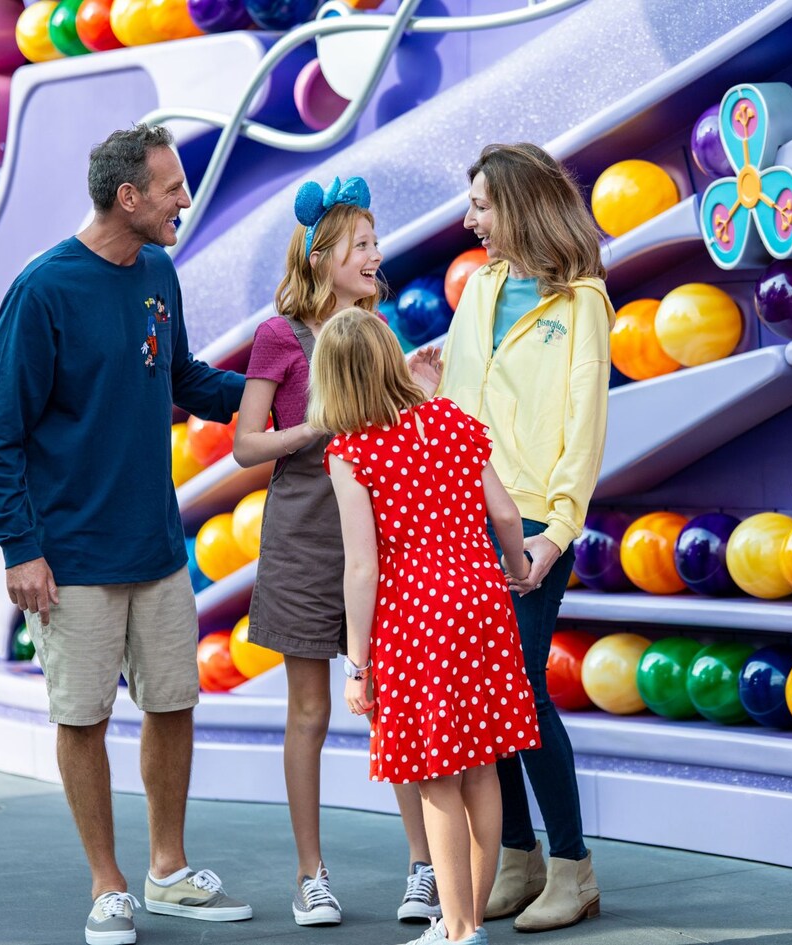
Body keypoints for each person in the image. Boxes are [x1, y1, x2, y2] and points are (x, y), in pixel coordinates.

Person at [0, 123, 253, 945]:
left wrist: (281, 386)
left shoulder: (158, 272)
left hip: (156, 548)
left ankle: (167, 870)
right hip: (71, 558)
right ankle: (108, 885)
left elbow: (183, 376)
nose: (184, 200)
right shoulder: (43, 291)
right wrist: (20, 547)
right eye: (171, 188)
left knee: (173, 703)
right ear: (128, 197)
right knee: (83, 718)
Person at [230, 177, 442, 928]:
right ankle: (310, 875)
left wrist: (419, 389)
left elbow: (402, 433)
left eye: (376, 243)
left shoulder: (378, 331)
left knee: (390, 704)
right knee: (311, 711)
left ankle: (426, 867)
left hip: (380, 538)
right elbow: (244, 444)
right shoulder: (279, 337)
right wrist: (317, 427)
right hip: (302, 535)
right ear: (321, 258)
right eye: (362, 244)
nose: (376, 255)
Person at [411, 142, 610, 933]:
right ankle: (519, 860)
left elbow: (584, 428)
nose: (470, 222)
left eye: (482, 206)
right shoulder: (480, 289)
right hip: (462, 517)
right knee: (482, 694)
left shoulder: (582, 301)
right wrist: (427, 393)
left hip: (531, 522)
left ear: (520, 205)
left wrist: (555, 534)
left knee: (521, 690)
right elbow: (460, 407)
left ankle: (573, 868)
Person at [313, 308, 539, 945]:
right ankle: (467, 922)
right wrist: (518, 568)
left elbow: (363, 567)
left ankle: (460, 929)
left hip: (416, 616)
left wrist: (358, 666)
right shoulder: (451, 419)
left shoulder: (351, 452)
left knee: (437, 776)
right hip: (483, 602)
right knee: (483, 766)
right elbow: (506, 515)